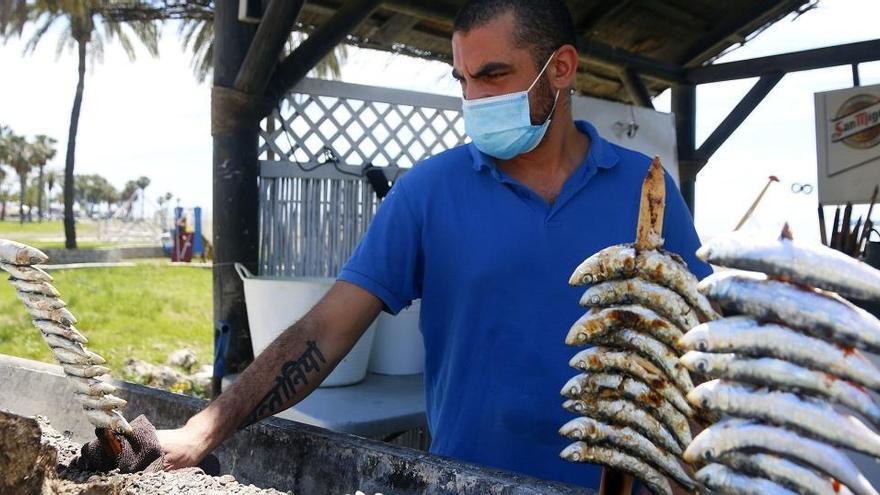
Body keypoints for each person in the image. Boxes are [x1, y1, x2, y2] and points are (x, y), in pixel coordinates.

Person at [158, 0, 711, 488]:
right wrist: (203, 429)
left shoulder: (647, 192)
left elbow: (700, 349)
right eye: (463, 80)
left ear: (561, 68)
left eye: (493, 75)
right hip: (469, 483)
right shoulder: (427, 193)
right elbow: (323, 332)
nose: (475, 98)